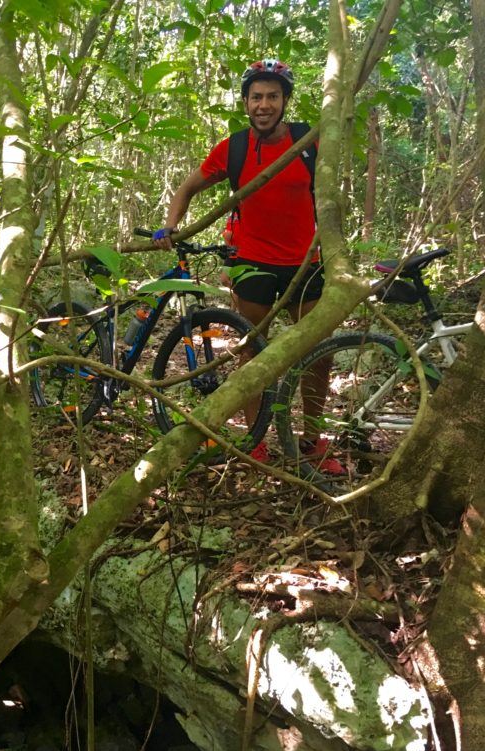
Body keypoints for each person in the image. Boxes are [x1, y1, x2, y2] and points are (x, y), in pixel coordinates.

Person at [153, 58, 343, 475]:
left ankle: (311, 440)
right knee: (252, 352)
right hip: (251, 262)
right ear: (245, 103)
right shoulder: (233, 148)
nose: (263, 104)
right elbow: (187, 187)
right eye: (256, 96)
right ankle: (254, 439)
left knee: (317, 352)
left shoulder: (310, 141)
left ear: (285, 101)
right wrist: (170, 226)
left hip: (305, 263)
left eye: (272, 96)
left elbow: (330, 195)